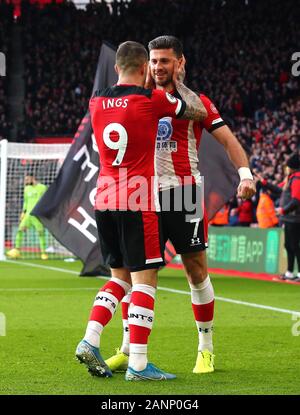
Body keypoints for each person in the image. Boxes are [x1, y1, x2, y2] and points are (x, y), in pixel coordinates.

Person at [105, 35, 256, 375]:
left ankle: (206, 348)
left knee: (196, 271)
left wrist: (245, 174)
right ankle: (130, 350)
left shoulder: (196, 102)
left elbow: (229, 140)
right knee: (135, 274)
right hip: (142, 195)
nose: (159, 67)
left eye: (165, 61)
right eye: (154, 61)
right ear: (146, 64)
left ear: (180, 63)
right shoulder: (134, 99)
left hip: (183, 193)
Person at [75, 40, 208, 381]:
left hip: (102, 200)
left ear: (117, 67)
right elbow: (196, 111)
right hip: (138, 201)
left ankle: (91, 338)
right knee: (145, 282)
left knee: (117, 279)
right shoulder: (153, 100)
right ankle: (138, 364)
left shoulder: (96, 102)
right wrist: (175, 80)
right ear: (146, 68)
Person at [257, 154, 300, 281]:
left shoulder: (297, 179)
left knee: (295, 245)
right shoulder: (291, 179)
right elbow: (279, 190)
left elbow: (297, 200)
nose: (286, 168)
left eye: (287, 166)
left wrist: (283, 209)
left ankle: (297, 273)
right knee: (289, 245)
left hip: (294, 218)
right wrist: (264, 183)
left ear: (291, 167)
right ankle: (290, 272)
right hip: (289, 218)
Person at [6, 175, 48, 260]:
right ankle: (16, 251)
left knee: (41, 233)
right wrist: (23, 212)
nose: (26, 181)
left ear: (33, 178)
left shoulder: (43, 187)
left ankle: (43, 253)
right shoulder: (27, 189)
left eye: (27, 179)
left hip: (37, 215)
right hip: (28, 216)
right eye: (25, 179)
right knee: (20, 230)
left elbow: (47, 200)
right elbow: (25, 201)